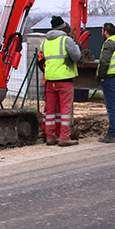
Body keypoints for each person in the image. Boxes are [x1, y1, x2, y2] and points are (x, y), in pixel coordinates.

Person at [38, 16, 82, 147]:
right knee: (65, 110)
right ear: (63, 27)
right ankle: (64, 138)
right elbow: (76, 57)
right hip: (64, 80)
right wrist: (77, 46)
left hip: (50, 80)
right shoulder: (66, 40)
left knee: (50, 110)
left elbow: (42, 60)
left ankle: (50, 137)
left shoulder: (44, 42)